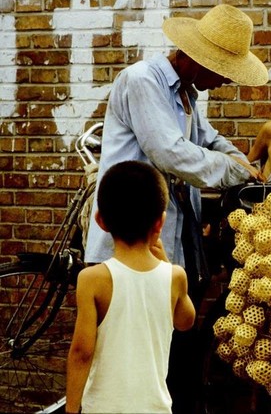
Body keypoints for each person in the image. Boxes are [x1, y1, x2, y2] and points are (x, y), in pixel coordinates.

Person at [83, 3, 268, 413]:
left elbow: (210, 140)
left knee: (170, 362)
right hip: (128, 243)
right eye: (220, 71)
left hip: (170, 245)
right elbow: (170, 153)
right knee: (129, 363)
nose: (221, 81)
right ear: (197, 59)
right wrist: (235, 173)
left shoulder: (186, 96)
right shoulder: (141, 81)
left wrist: (244, 164)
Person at [66, 161, 196, 414]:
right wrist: (167, 263)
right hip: (154, 408)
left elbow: (81, 352)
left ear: (100, 221)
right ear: (160, 223)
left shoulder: (92, 279)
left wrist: (71, 409)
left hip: (103, 408)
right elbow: (186, 321)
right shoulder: (175, 276)